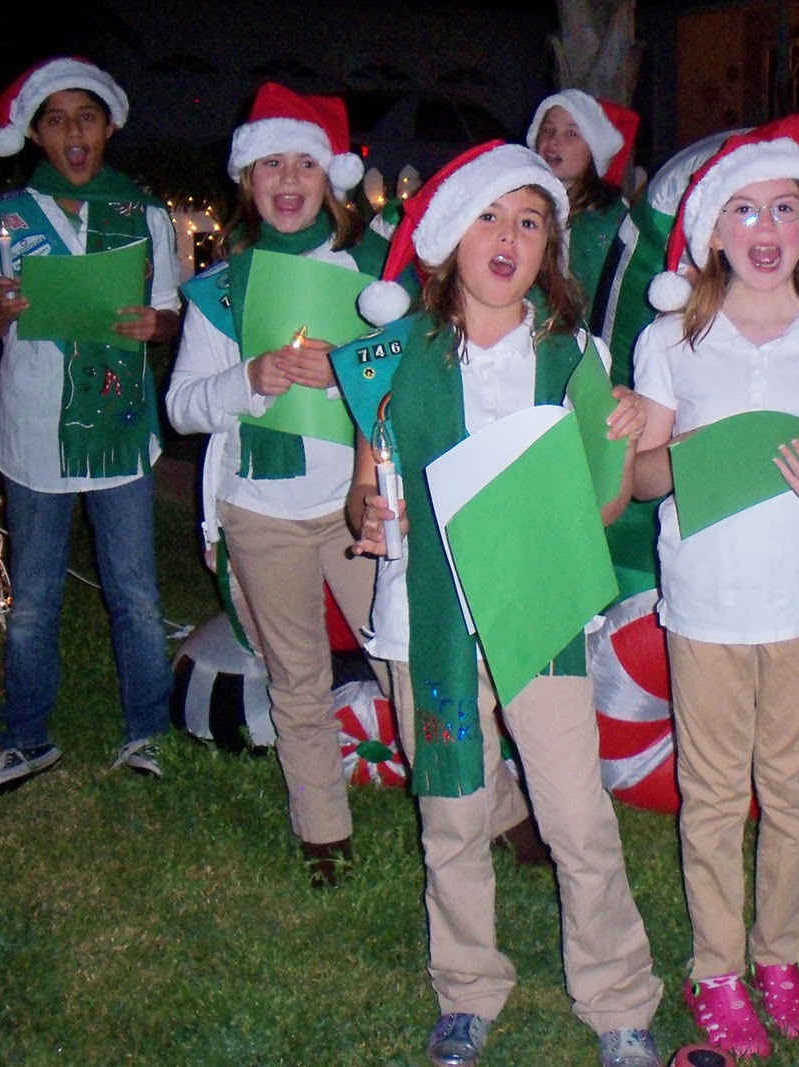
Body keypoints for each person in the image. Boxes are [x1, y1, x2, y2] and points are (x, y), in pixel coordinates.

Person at [341, 141, 664, 1067]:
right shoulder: (392, 360)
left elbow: (605, 507)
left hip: (541, 617)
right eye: (490, 216)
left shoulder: (577, 358)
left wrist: (617, 447)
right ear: (447, 240)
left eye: (530, 222)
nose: (510, 237)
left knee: (575, 815)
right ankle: (468, 988)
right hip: (428, 624)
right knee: (452, 810)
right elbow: (366, 492)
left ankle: (618, 997)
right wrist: (366, 509)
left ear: (548, 249)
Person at [631, 113, 799, 1059]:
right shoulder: (671, 342)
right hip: (706, 601)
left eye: (786, 207)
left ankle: (777, 955)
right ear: (713, 231)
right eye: (743, 208)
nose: (765, 226)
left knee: (790, 795)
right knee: (711, 796)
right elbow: (644, 481)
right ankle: (716, 969)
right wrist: (679, 451)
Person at [165, 83, 376, 887]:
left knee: (404, 650)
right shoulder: (223, 289)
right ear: (247, 181)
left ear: (332, 178)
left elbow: (412, 382)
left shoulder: (367, 278)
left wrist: (348, 373)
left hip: (358, 505)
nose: (288, 180)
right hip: (261, 510)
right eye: (269, 165)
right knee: (297, 675)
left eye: (304, 164)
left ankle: (487, 807)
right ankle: (324, 830)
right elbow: (182, 408)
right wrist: (248, 379)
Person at [0, 57, 178, 794]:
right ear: (34, 134)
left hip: (118, 422)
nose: (73, 131)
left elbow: (169, 307)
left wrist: (157, 322)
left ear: (107, 124)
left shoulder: (144, 215)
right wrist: (2, 309)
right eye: (55, 120)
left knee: (136, 593)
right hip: (33, 428)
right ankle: (25, 737)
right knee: (35, 598)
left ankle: (148, 731)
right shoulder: (4, 221)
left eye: (85, 116)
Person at [526, 89, 639, 318]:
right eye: (548, 130)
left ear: (593, 152)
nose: (553, 140)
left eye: (571, 134)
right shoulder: (522, 204)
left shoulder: (607, 218)